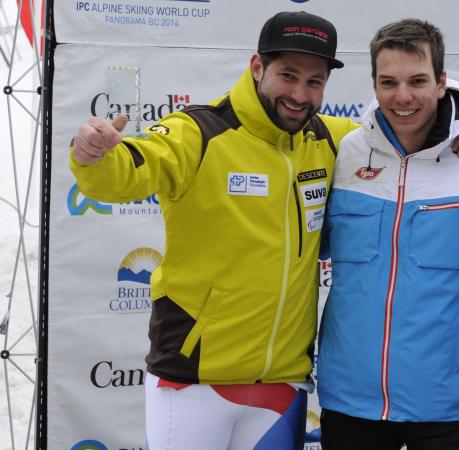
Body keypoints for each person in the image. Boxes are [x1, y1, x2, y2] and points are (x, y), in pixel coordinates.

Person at [69, 11, 360, 450]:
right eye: (288, 75)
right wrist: (93, 154)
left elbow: (404, 129)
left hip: (282, 383)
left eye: (315, 82)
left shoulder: (333, 139)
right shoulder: (198, 132)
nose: (300, 95)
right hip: (194, 381)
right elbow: (127, 173)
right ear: (257, 67)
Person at [316, 18, 459, 450]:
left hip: (451, 407)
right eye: (388, 82)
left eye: (417, 81)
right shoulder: (346, 154)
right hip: (350, 403)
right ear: (373, 84)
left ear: (442, 82)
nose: (402, 97)